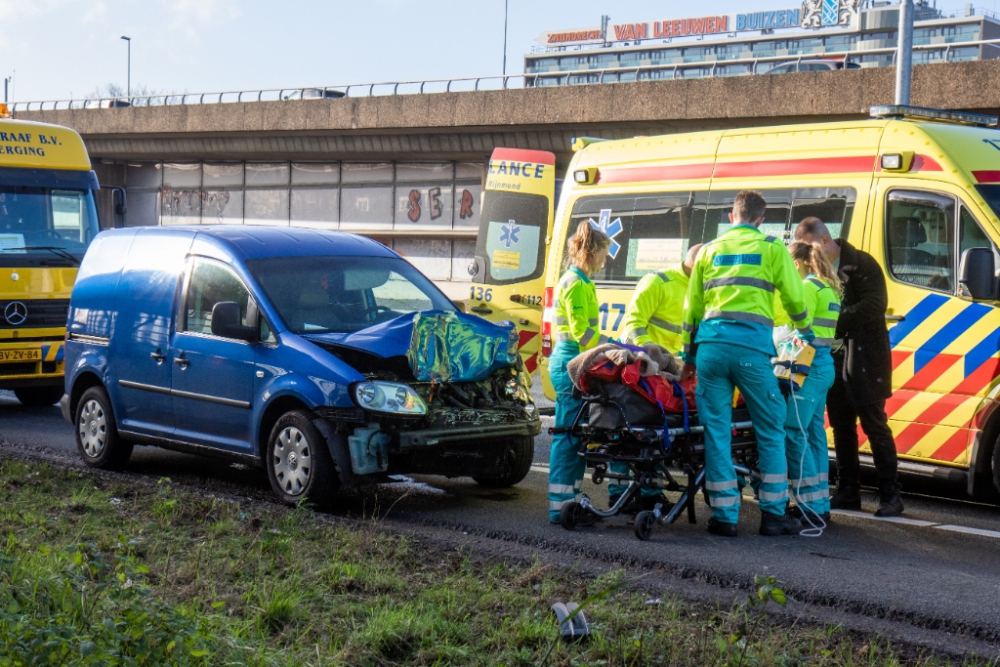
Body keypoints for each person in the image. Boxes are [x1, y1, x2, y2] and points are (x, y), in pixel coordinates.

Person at [681, 191, 812, 537]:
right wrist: (806, 330)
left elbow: (691, 310)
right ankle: (772, 514)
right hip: (752, 352)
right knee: (770, 430)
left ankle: (725, 517)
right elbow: (795, 298)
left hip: (710, 351)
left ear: (730, 215)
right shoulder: (772, 249)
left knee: (717, 432)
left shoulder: (708, 251)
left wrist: (688, 357)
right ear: (759, 219)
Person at [793, 218, 903, 517]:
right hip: (834, 357)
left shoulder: (862, 264)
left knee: (874, 424)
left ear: (826, 241)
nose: (808, 254)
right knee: (841, 428)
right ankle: (847, 491)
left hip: (865, 356)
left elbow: (874, 305)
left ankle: (890, 495)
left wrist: (834, 321)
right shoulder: (816, 272)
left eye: (811, 247)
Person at [607, 243, 703, 511]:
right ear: (697, 265)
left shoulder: (701, 291)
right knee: (629, 432)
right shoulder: (658, 282)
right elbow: (633, 324)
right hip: (648, 371)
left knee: (661, 436)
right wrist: (651, 356)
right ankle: (619, 492)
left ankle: (649, 494)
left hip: (673, 377)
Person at [548, 221, 612, 524]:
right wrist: (611, 347)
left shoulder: (582, 282)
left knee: (573, 437)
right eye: (604, 253)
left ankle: (570, 503)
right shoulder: (575, 283)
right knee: (567, 436)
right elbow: (581, 334)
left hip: (576, 363)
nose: (605, 259)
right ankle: (560, 508)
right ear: (593, 251)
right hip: (570, 364)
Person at [782, 241, 842, 523]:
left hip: (808, 366)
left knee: (795, 432)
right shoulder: (827, 287)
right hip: (824, 366)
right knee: (815, 435)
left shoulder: (806, 287)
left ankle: (807, 504)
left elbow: (800, 329)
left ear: (797, 264)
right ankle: (820, 503)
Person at [621, 243, 704, 353]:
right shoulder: (656, 282)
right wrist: (648, 348)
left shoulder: (701, 288)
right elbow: (634, 322)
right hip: (637, 353)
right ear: (696, 265)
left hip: (667, 357)